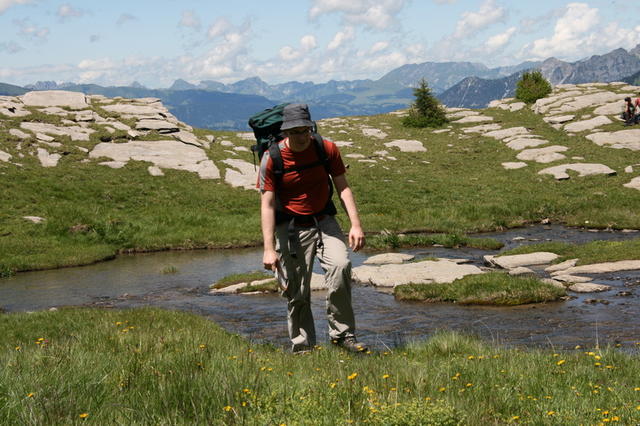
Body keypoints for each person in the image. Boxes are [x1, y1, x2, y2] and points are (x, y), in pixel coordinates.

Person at [257, 103, 367, 354]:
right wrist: (268, 249)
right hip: (291, 226)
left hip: (324, 219)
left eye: (305, 130)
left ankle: (343, 336)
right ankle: (303, 346)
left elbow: (343, 187)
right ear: (285, 133)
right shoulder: (272, 157)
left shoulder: (325, 148)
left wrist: (355, 225)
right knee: (297, 289)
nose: (301, 137)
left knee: (341, 266)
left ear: (311, 128)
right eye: (295, 132)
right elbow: (267, 204)